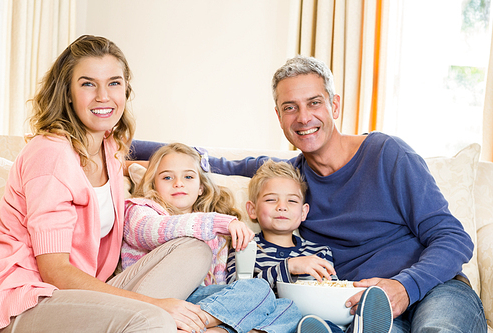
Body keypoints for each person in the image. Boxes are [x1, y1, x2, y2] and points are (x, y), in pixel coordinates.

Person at [129, 55, 487, 332]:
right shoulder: (289, 180)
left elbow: (453, 238)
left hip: (432, 288)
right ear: (279, 116)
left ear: (335, 105)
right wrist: (113, 140)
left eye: (314, 103)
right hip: (357, 309)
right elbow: (207, 159)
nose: (303, 118)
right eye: (290, 107)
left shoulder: (387, 154)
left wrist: (403, 287)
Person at [0, 35, 214, 333]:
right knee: (153, 319)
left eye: (114, 83)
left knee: (194, 250)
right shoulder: (50, 154)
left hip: (83, 290)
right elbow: (54, 271)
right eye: (87, 84)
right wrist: (155, 304)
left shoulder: (108, 146)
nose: (103, 96)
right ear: (67, 93)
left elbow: (137, 165)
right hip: (29, 299)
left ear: (126, 89)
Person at [123, 143, 304, 333]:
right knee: (257, 293)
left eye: (188, 176)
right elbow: (153, 231)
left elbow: (218, 283)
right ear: (153, 184)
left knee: (280, 302)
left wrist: (236, 305)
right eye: (167, 177)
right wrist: (218, 223)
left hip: (198, 303)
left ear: (201, 187)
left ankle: (214, 330)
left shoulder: (213, 231)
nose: (178, 183)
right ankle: (203, 326)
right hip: (157, 299)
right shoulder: (140, 210)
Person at [225, 159, 393, 333]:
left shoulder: (319, 253)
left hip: (317, 320)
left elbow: (330, 291)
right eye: (271, 199)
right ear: (252, 210)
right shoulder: (244, 246)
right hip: (269, 322)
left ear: (304, 211)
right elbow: (233, 294)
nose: (282, 207)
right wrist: (289, 267)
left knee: (327, 324)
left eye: (291, 201)